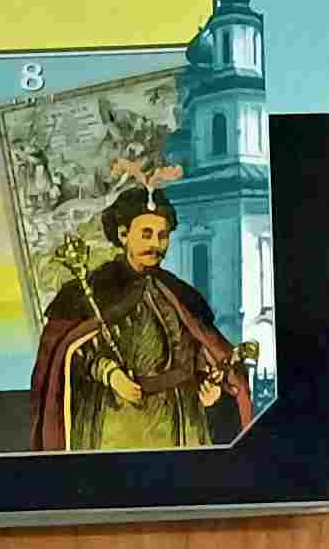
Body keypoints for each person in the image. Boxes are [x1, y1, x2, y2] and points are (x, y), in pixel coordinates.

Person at [29, 187, 251, 453]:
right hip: (121, 422)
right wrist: (109, 374)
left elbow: (200, 352)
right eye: (146, 234)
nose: (155, 244)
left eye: (162, 236)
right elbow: (68, 357)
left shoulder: (180, 294)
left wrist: (210, 387)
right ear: (123, 235)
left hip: (185, 423)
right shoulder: (91, 291)